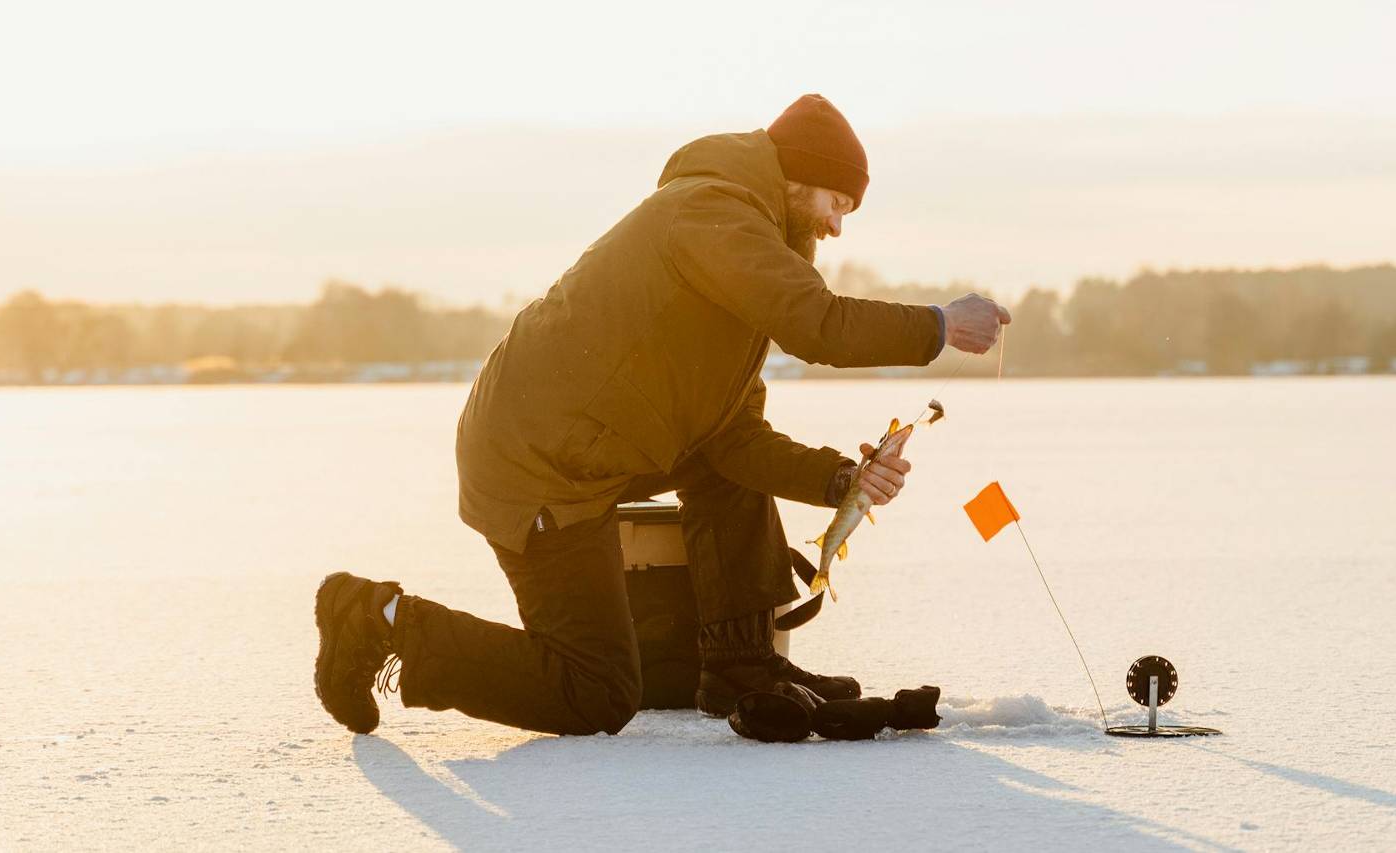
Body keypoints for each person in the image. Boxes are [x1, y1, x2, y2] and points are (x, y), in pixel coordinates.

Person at [314, 94, 1011, 737]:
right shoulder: (711, 212)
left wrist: (841, 480)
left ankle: (741, 664)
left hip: (598, 449)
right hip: (538, 465)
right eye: (837, 202)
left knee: (720, 463)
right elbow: (819, 325)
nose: (835, 226)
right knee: (596, 692)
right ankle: (377, 619)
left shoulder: (747, 248)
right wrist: (939, 324)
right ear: (799, 176)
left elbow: (733, 436)